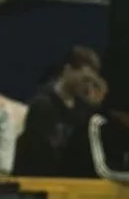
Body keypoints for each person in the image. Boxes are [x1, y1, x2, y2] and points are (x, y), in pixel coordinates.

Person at [12, 46, 103, 177]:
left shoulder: (84, 109)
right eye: (84, 79)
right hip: (40, 181)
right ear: (67, 70)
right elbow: (40, 156)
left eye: (91, 82)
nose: (87, 86)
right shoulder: (42, 106)